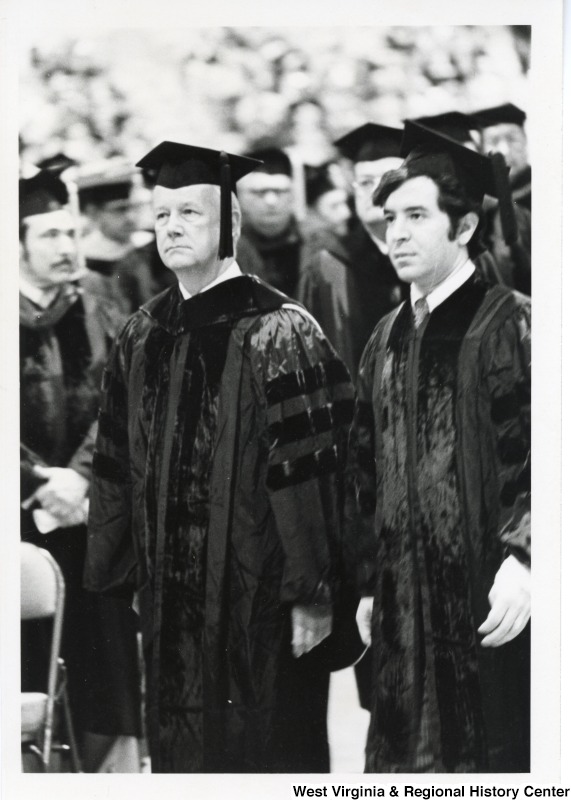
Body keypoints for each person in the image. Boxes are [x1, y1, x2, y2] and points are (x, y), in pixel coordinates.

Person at [83, 141, 356, 773]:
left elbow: (316, 472)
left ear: (228, 224)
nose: (172, 228)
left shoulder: (281, 329)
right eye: (162, 216)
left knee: (269, 754)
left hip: (260, 603)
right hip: (170, 603)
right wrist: (118, 571)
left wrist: (313, 593)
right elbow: (116, 460)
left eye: (190, 213)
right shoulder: (143, 331)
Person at [349, 121, 531, 773]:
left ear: (463, 228)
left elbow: (543, 456)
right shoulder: (385, 336)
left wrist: (528, 557)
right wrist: (369, 582)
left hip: (490, 597)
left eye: (416, 215)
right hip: (400, 607)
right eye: (390, 216)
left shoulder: (510, 322)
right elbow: (364, 470)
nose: (394, 232)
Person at [19, 170, 143, 772]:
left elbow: (127, 400)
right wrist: (39, 481)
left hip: (95, 520)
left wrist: (81, 477)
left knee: (109, 678)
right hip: (19, 521)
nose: (68, 245)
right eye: (49, 234)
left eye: (71, 231)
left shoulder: (99, 305)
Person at [298, 122, 408, 383]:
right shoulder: (329, 266)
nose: (374, 191)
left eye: (386, 179)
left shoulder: (431, 257)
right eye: (365, 182)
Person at [236, 146, 316, 297]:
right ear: (240, 197)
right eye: (259, 192)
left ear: (293, 194)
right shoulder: (226, 252)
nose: (271, 201)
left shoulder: (318, 243)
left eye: (280, 191)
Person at [470, 103, 531, 294]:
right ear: (482, 151)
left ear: (526, 141)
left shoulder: (552, 193)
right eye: (494, 141)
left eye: (512, 139)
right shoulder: (480, 207)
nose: (504, 150)